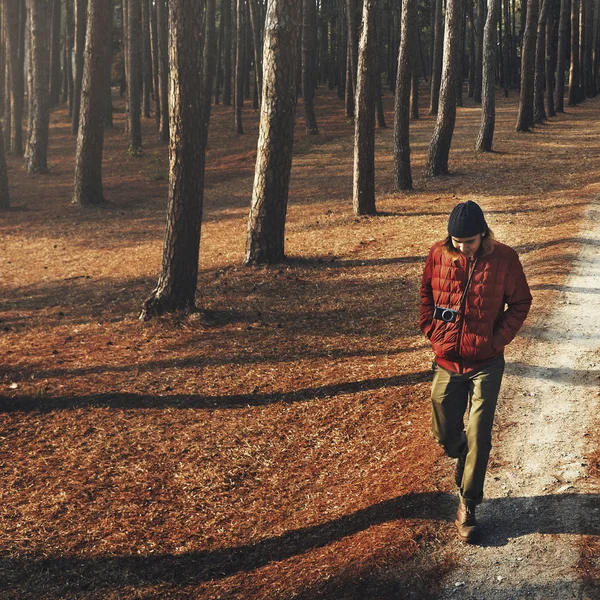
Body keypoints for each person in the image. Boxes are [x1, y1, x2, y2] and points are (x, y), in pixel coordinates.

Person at [419, 201, 532, 543]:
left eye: (468, 241)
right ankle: (460, 452)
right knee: (443, 427)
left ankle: (468, 505)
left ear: (483, 234)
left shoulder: (505, 259)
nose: (462, 247)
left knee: (480, 433)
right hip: (447, 359)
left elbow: (522, 303)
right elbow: (426, 294)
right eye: (457, 241)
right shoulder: (438, 254)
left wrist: (496, 340)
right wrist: (431, 331)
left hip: (486, 363)